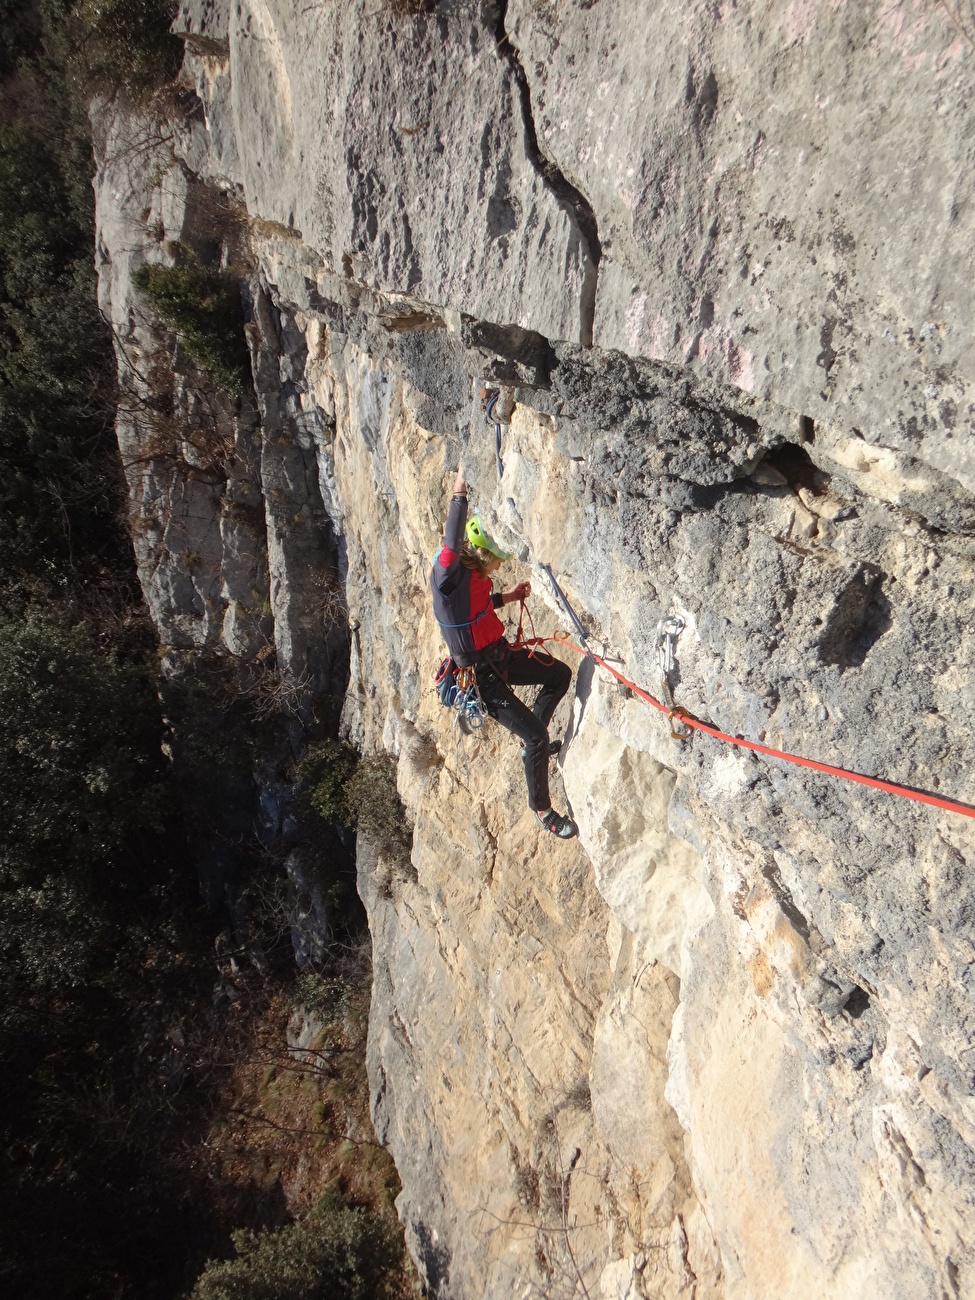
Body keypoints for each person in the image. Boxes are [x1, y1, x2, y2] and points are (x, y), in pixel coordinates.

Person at [431, 464, 578, 838]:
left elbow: (477, 610)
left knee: (559, 675)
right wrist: (459, 492)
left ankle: (536, 749)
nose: (498, 568)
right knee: (536, 738)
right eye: (497, 562)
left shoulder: (476, 582)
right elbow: (450, 543)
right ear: (484, 557)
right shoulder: (446, 582)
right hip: (480, 681)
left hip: (500, 657)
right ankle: (543, 811)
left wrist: (509, 597)